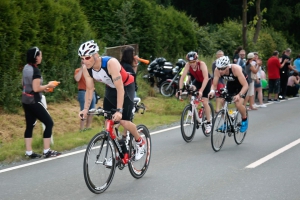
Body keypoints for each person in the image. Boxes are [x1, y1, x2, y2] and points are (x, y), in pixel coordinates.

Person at [78, 40, 145, 162]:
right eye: (82, 58)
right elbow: (89, 89)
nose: (84, 61)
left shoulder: (110, 63)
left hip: (126, 86)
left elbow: (120, 88)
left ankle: (140, 141)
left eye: (87, 57)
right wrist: (86, 109)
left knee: (123, 121)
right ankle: (118, 153)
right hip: (110, 88)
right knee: (109, 124)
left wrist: (119, 110)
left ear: (95, 55)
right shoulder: (86, 68)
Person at [21, 47, 61, 158]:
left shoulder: (26, 68)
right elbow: (36, 88)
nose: (41, 57)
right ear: (36, 57)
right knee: (49, 123)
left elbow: (24, 83)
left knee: (29, 125)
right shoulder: (36, 71)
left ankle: (29, 152)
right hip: (34, 101)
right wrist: (48, 85)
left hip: (25, 100)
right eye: (40, 55)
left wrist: (43, 88)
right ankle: (47, 151)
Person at [208, 56, 249, 133]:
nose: (220, 71)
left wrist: (239, 95)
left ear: (227, 67)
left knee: (238, 104)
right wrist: (212, 91)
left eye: (222, 69)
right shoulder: (217, 70)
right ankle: (227, 122)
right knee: (223, 100)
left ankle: (244, 119)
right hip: (231, 84)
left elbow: (245, 86)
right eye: (219, 68)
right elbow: (214, 84)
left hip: (242, 84)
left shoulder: (235, 69)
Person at [179, 51, 212, 134]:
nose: (192, 64)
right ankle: (193, 106)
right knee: (190, 90)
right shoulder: (187, 65)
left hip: (206, 81)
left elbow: (205, 78)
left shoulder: (202, 64)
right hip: (197, 81)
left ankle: (209, 123)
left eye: (193, 62)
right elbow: (182, 77)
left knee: (205, 102)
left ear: (196, 60)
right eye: (190, 62)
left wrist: (201, 91)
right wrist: (180, 90)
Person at [74, 63, 96, 132]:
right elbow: (77, 79)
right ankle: (82, 128)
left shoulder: (91, 70)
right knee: (83, 110)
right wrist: (82, 68)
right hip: (83, 91)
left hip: (92, 91)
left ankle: (88, 127)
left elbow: (96, 79)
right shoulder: (78, 70)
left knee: (92, 110)